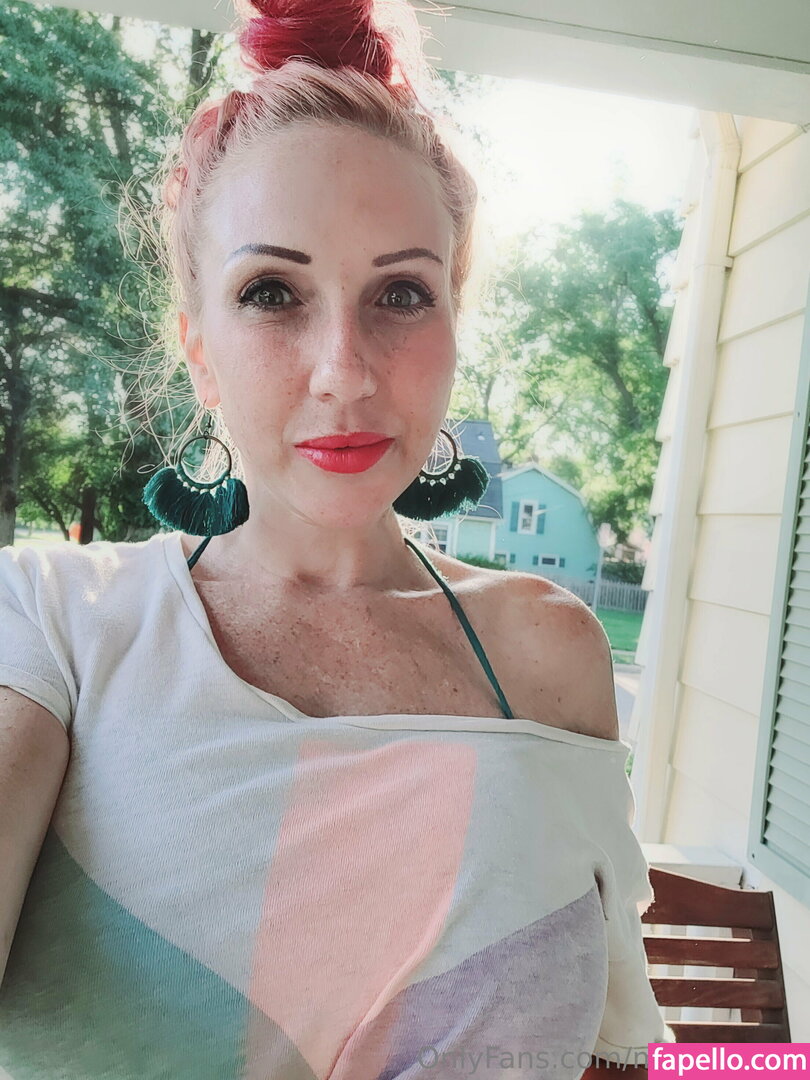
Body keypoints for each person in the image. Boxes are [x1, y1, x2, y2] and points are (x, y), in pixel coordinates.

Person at [0, 0, 676, 1075]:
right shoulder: (51, 627)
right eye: (273, 292)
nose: (344, 372)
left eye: (400, 293)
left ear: (454, 326)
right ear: (199, 350)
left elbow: (627, 1053)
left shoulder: (552, 655)